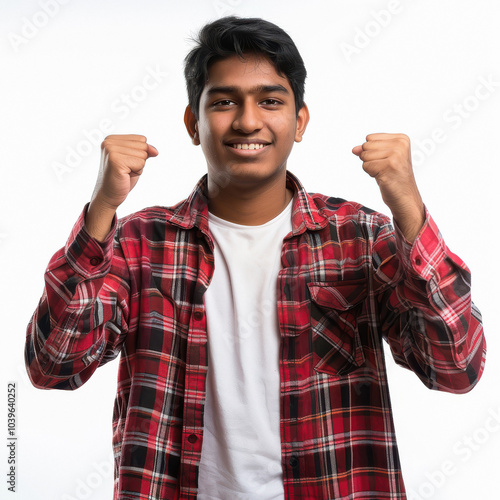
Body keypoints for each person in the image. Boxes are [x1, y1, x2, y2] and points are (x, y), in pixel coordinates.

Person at [25, 15, 486, 500]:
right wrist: (103, 209)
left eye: (270, 101)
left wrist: (407, 207)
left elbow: (457, 367)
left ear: (300, 121)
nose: (248, 121)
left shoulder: (361, 236)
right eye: (224, 102)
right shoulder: (140, 242)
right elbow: (53, 364)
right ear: (193, 124)